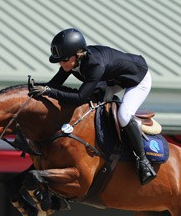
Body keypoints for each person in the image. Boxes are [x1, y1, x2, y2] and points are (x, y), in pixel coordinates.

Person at [28, 28, 156, 185]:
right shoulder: (73, 61)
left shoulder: (94, 65)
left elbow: (80, 97)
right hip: (112, 78)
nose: (61, 64)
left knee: (124, 115)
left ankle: (143, 162)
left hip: (137, 79)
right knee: (94, 105)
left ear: (78, 54)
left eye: (64, 59)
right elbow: (54, 84)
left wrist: (48, 91)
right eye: (59, 60)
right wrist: (35, 90)